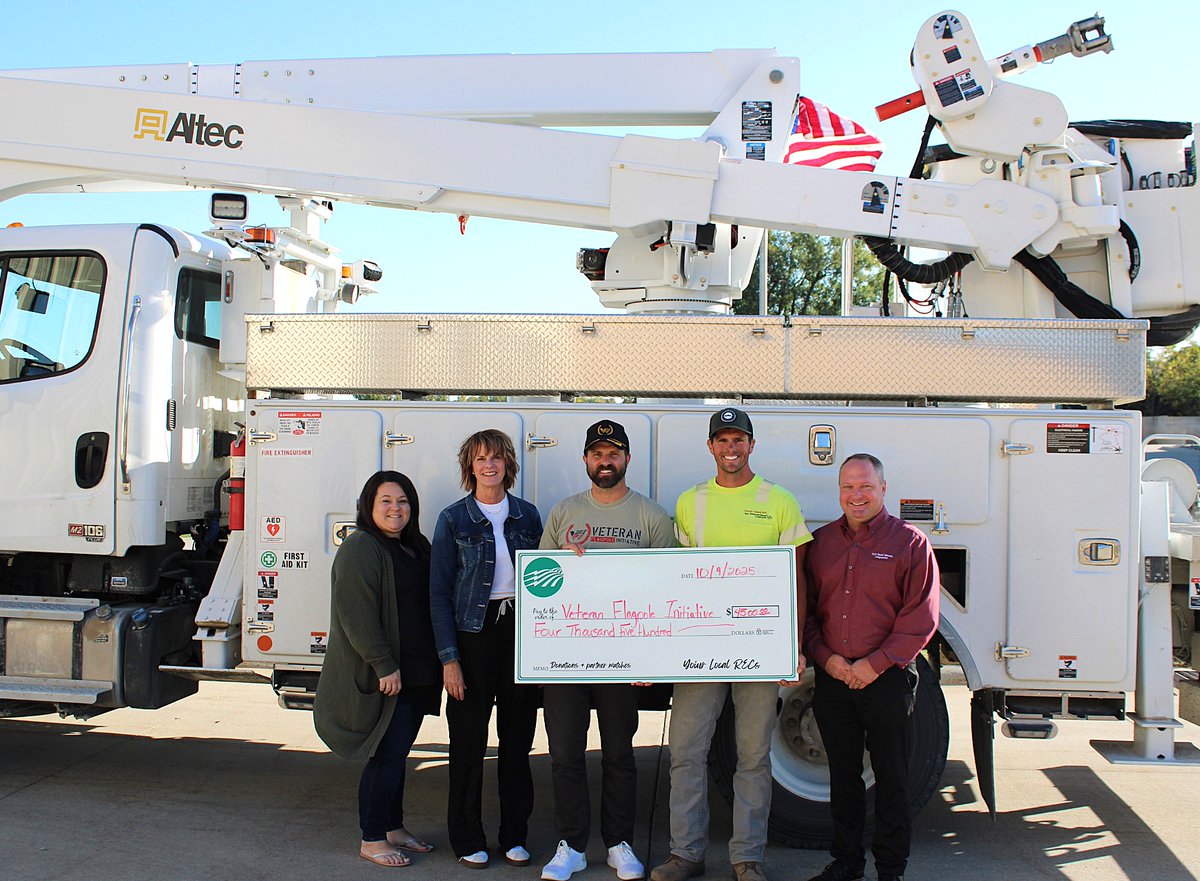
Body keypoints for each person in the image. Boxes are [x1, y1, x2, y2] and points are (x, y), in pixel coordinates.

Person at [651, 408, 812, 881]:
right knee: (686, 752)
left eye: (738, 439)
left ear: (751, 445)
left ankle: (747, 859)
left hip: (759, 648)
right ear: (710, 447)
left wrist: (793, 646)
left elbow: (795, 578)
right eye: (721, 440)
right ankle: (687, 854)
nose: (730, 448)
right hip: (699, 648)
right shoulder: (689, 502)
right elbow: (674, 579)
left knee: (753, 757)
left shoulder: (779, 501)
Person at [537, 419, 676, 881]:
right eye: (597, 454)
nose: (605, 461)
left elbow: (665, 592)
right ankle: (572, 846)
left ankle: (619, 843)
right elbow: (539, 583)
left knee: (620, 754)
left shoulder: (651, 517)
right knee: (565, 755)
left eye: (613, 454)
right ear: (585, 461)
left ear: (627, 460)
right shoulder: (563, 513)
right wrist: (563, 561)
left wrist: (650, 658)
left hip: (623, 660)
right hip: (567, 659)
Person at [802, 454, 940, 881]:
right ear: (838, 491)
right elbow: (805, 614)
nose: (856, 495)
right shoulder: (820, 543)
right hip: (834, 679)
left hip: (887, 680)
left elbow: (922, 617)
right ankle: (846, 863)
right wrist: (829, 660)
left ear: (883, 489)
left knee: (892, 777)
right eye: (848, 487)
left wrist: (873, 665)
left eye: (865, 486)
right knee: (842, 777)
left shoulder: (911, 543)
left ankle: (890, 869)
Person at [314, 470, 442, 868]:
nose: (395, 508)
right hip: (391, 674)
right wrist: (384, 665)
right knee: (386, 755)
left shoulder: (414, 546)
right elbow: (356, 615)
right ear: (369, 506)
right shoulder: (360, 547)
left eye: (402, 501)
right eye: (385, 501)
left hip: (419, 671)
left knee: (399, 752)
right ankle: (371, 838)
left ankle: (393, 828)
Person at [430, 429, 544, 869]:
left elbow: (547, 574)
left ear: (508, 464)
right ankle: (466, 838)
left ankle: (514, 836)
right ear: (469, 466)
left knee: (517, 744)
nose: (489, 465)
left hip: (518, 634)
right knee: (467, 745)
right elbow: (439, 593)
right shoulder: (453, 519)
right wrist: (449, 660)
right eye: (480, 458)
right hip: (472, 637)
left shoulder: (528, 516)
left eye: (496, 457)